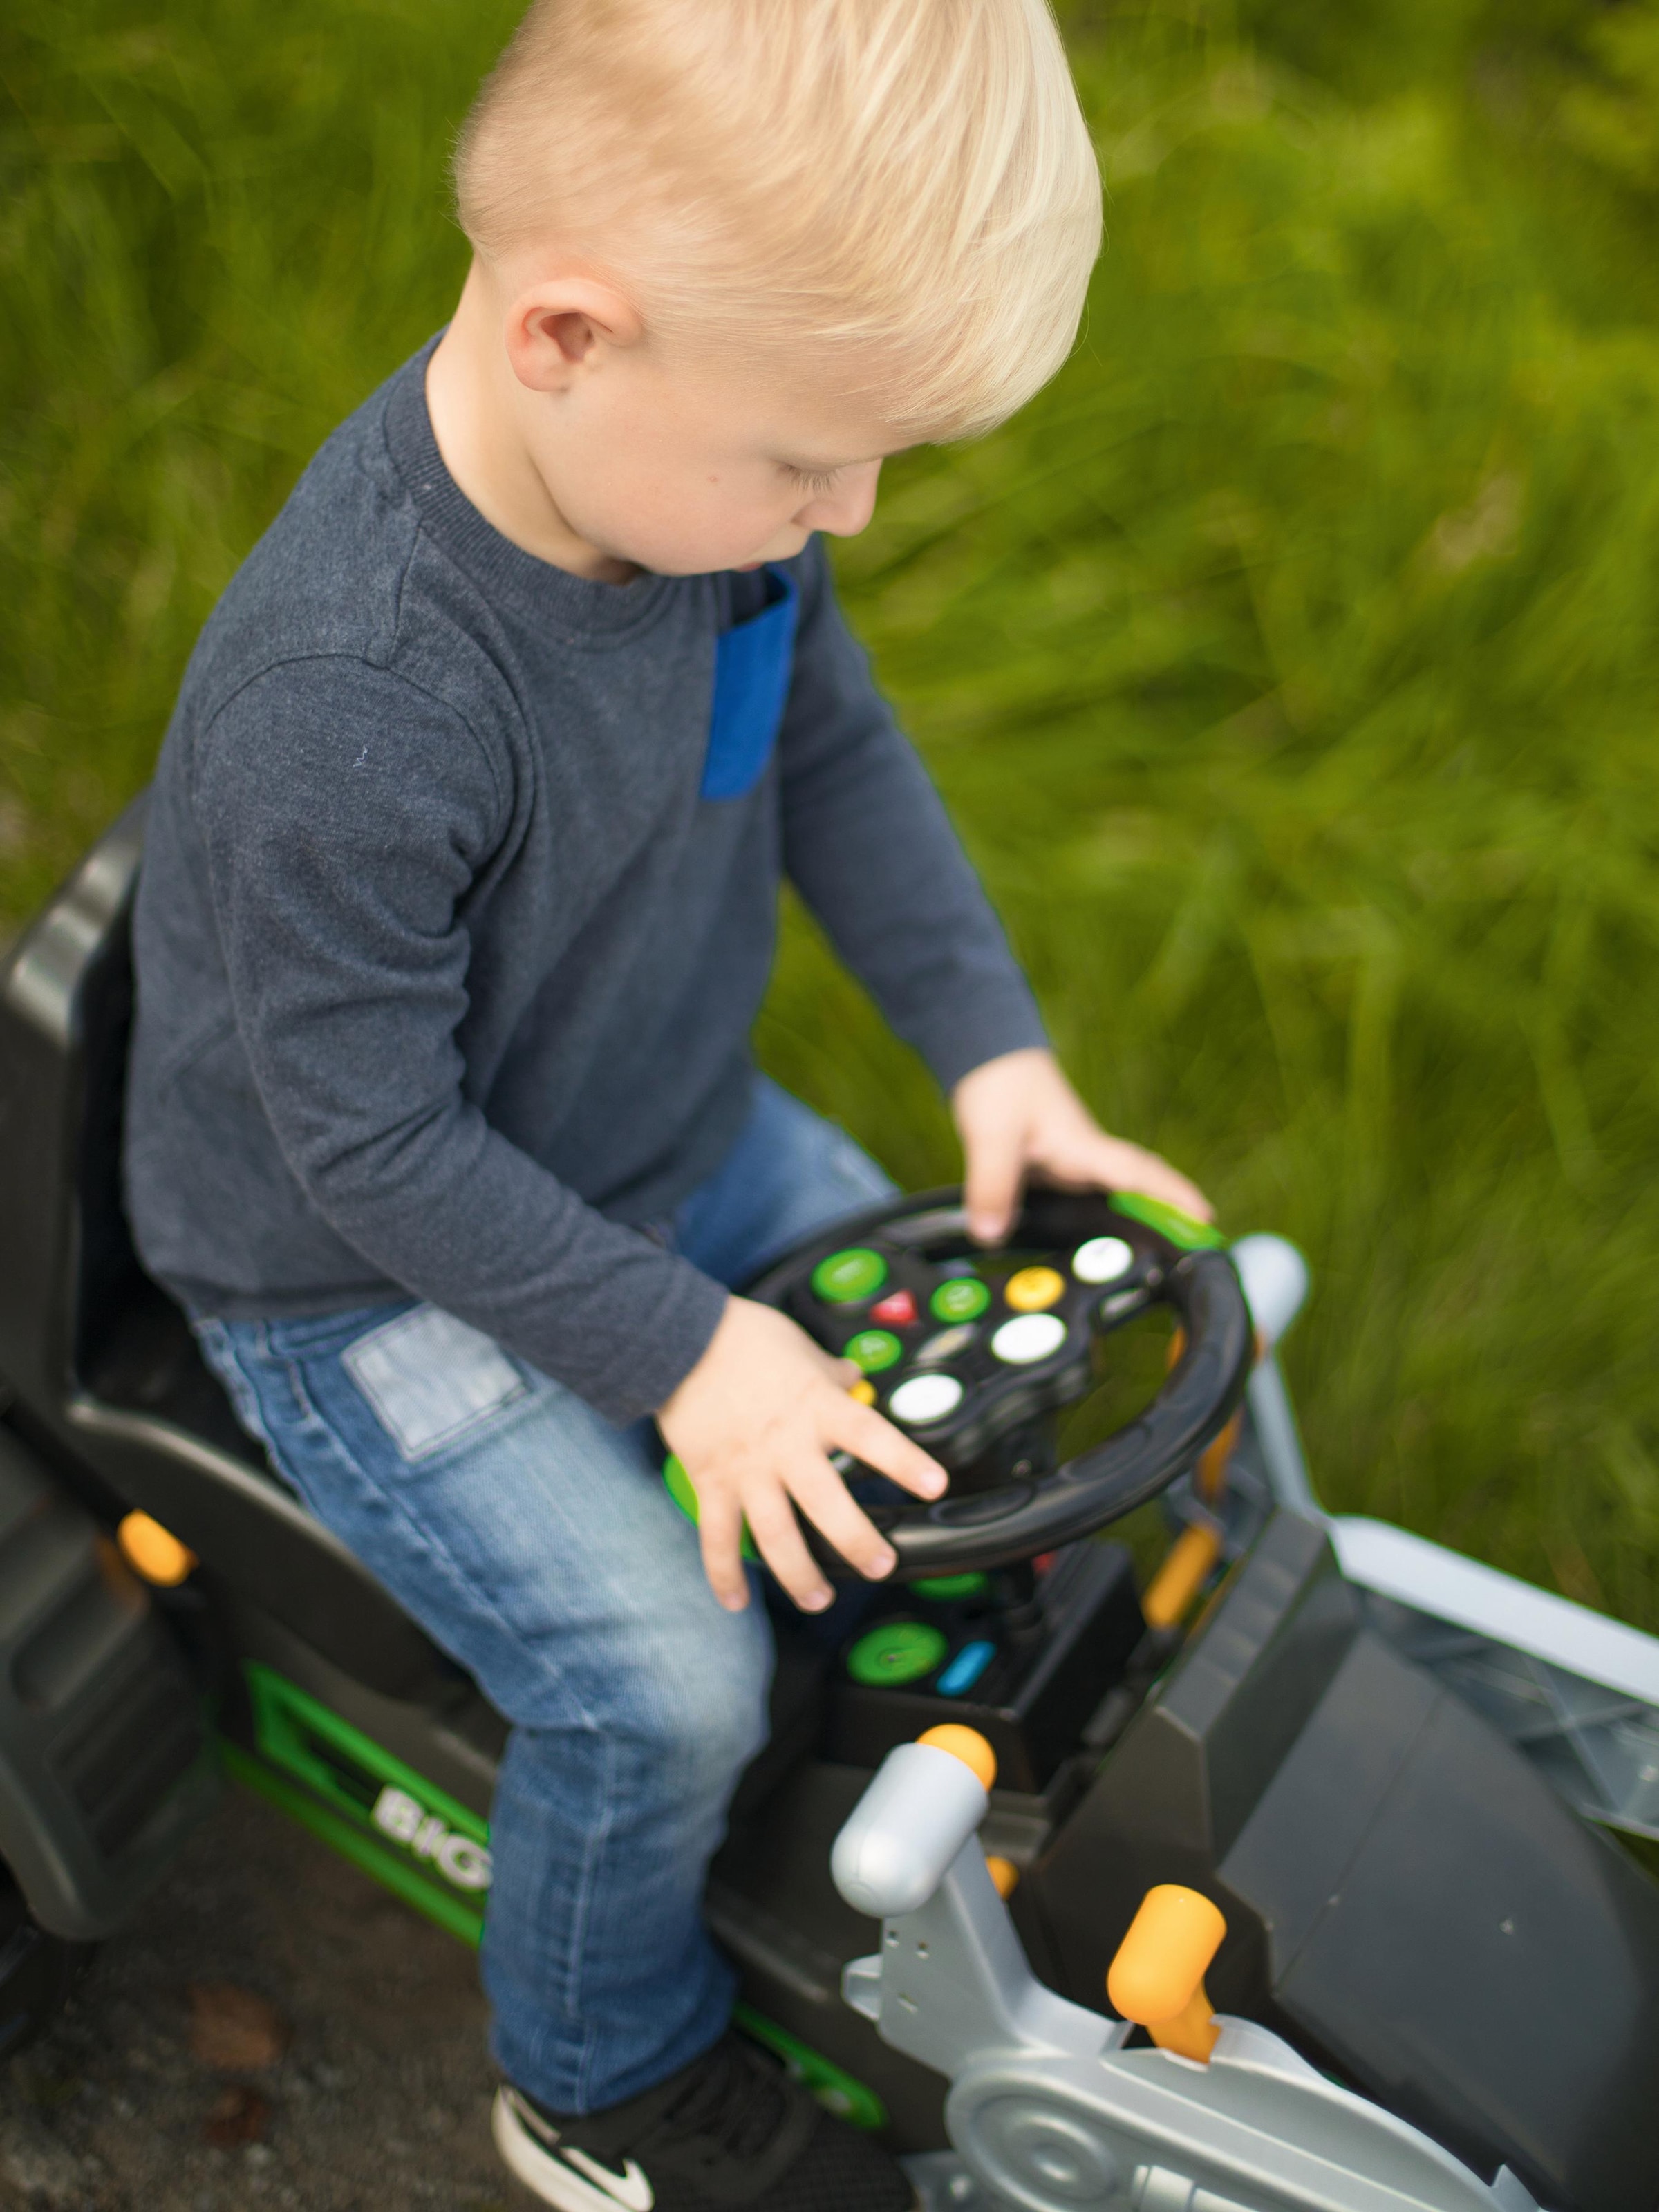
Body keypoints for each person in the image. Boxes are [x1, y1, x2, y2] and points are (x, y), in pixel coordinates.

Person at [123, 2, 1210, 2204]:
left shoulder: (702, 504)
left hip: (658, 1136)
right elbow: (373, 1145)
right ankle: (597, 2074)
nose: (851, 520)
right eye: (813, 464)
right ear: (565, 338)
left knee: (960, 1399)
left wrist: (996, 1053)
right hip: (355, 1275)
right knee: (664, 1684)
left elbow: (833, 753)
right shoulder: (355, 699)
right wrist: (693, 1353)